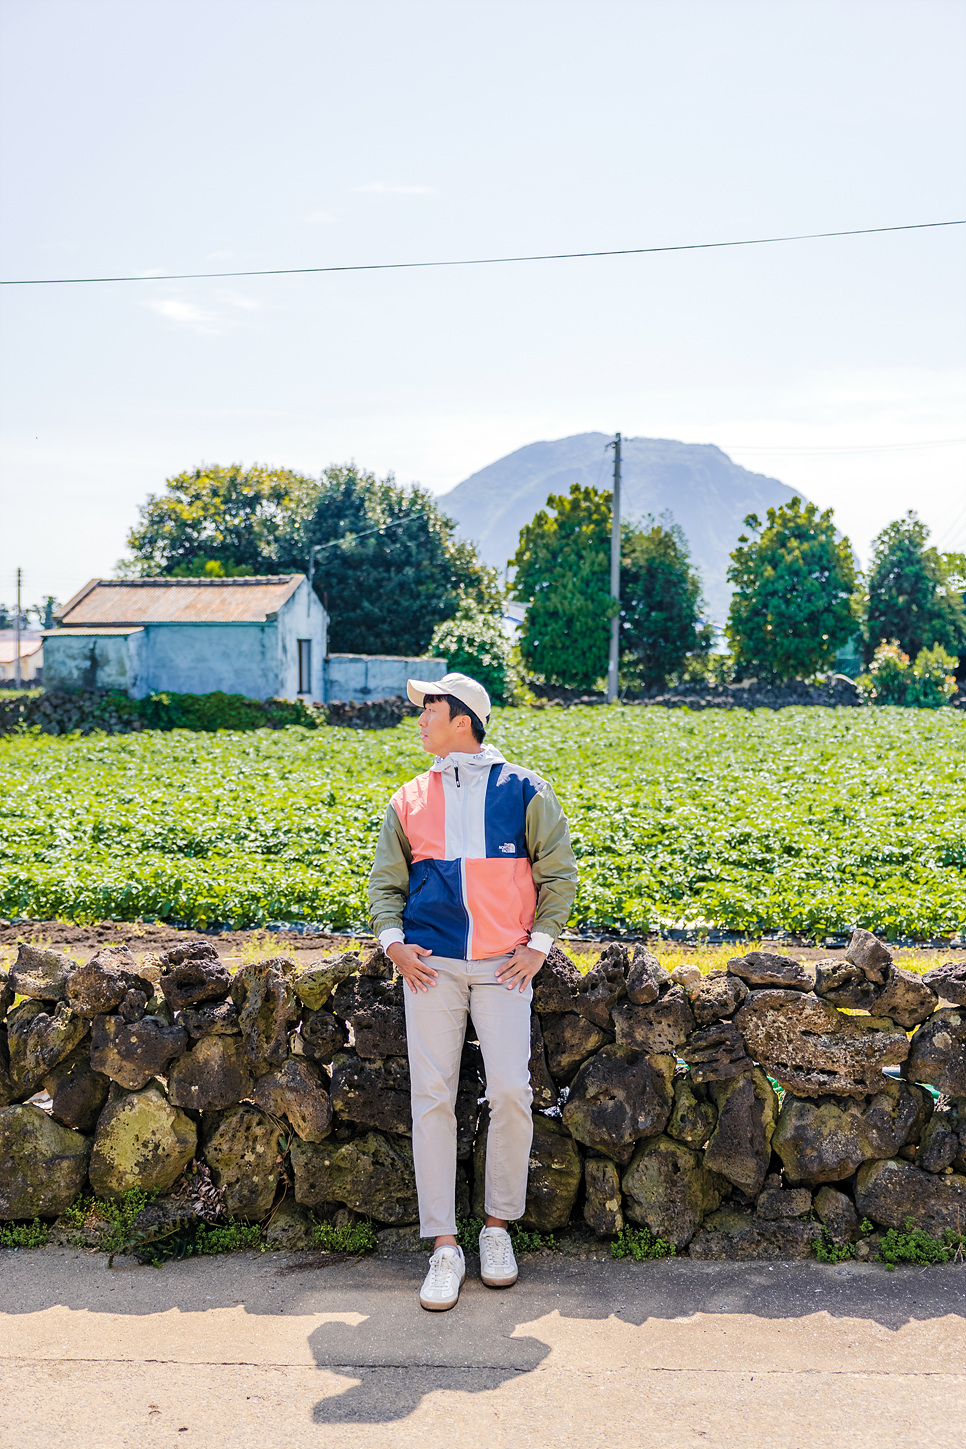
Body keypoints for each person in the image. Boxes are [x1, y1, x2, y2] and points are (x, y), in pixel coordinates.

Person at [368, 671, 577, 1311]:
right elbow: (386, 885)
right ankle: (443, 1247)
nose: (420, 716)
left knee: (512, 1090)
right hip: (430, 966)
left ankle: (496, 1229)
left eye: (429, 706)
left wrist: (538, 945)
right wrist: (392, 942)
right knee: (432, 1097)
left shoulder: (524, 790)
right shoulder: (408, 799)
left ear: (462, 717)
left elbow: (558, 873)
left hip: (502, 966)